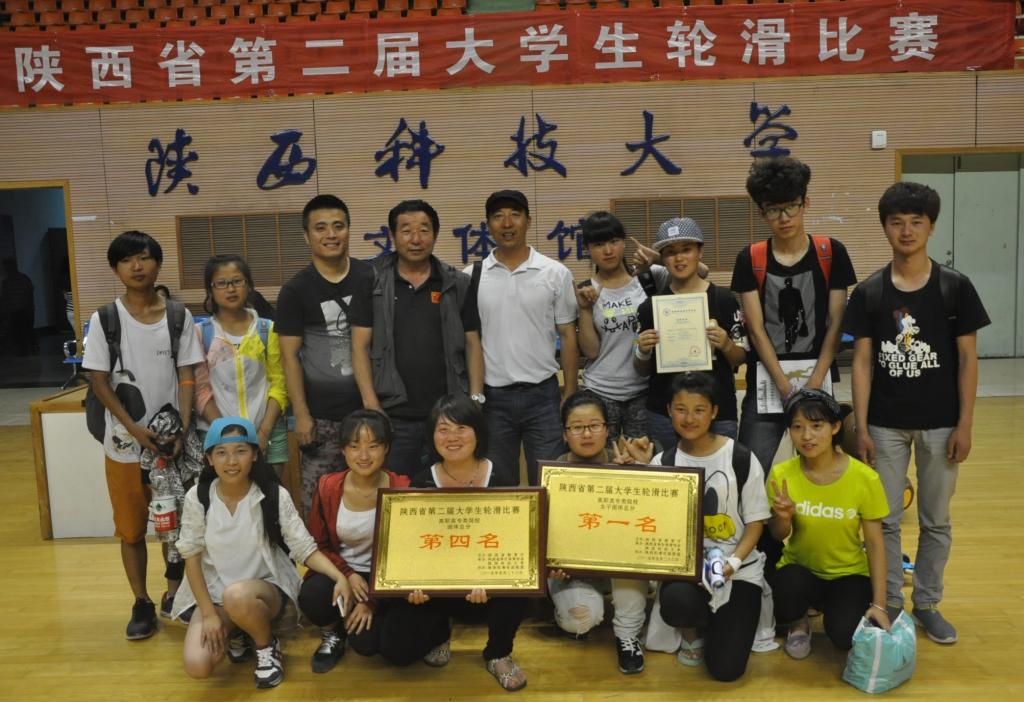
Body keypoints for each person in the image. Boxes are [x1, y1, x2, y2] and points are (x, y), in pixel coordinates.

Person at [843, 181, 990, 644]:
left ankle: (927, 602)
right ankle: (889, 599)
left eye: (916, 222)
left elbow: (968, 359)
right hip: (884, 424)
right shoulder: (869, 291)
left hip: (942, 424)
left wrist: (965, 424)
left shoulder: (954, 287)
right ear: (885, 228)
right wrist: (861, 427)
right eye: (897, 222)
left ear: (931, 227)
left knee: (935, 519)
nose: (906, 231)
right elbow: (862, 363)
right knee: (884, 519)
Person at [82, 230, 204, 638]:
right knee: (132, 528)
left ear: (158, 263)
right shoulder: (105, 319)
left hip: (171, 445)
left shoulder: (178, 316)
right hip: (124, 445)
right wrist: (133, 427)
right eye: (126, 260)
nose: (136, 266)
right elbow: (99, 381)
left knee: (176, 524)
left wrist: (182, 427)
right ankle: (141, 602)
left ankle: (174, 595)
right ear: (115, 268)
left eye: (144, 257)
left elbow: (186, 375)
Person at [172, 417, 353, 689]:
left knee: (237, 595)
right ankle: (238, 632)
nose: (231, 461)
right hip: (217, 597)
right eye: (221, 453)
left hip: (264, 593)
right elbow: (192, 557)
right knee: (197, 665)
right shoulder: (198, 497)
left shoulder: (272, 494)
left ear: (255, 454)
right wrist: (208, 614)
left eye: (240, 451)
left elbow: (304, 547)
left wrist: (339, 576)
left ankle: (266, 646)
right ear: (209, 458)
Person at [388, 395, 528, 691]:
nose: (452, 437)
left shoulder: (500, 475)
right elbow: (413, 545)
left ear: (478, 432)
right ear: (432, 436)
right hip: (440, 582)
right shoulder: (422, 482)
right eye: (443, 429)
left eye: (461, 428)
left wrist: (488, 577)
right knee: (400, 641)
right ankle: (440, 635)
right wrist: (414, 583)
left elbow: (512, 540)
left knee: (519, 584)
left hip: (489, 579)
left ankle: (498, 653)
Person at [730, 157, 857, 475]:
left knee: (820, 466)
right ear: (762, 212)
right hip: (766, 381)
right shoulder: (751, 258)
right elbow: (756, 329)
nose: (784, 218)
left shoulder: (831, 253)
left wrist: (814, 382)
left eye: (791, 207)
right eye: (773, 210)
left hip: (818, 375)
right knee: (750, 468)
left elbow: (836, 323)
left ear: (805, 203)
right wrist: (785, 386)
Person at [351, 199, 484, 478]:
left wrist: (474, 399)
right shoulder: (372, 281)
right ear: (392, 236)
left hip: (447, 416)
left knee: (448, 488)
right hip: (393, 414)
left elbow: (473, 344)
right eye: (406, 231)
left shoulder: (456, 283)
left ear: (434, 235)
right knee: (396, 491)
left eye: (424, 230)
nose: (415, 239)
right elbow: (359, 346)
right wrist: (372, 405)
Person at [651, 373, 770, 682]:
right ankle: (694, 632)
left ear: (714, 411)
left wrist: (732, 564)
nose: (689, 418)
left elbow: (756, 523)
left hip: (738, 568)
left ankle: (724, 624)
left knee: (726, 670)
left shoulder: (740, 457)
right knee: (677, 602)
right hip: (689, 569)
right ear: (669, 410)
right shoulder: (662, 462)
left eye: (699, 409)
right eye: (680, 409)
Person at [767, 389, 891, 659]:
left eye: (816, 426)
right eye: (797, 427)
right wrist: (783, 518)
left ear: (835, 427)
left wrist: (880, 605)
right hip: (800, 570)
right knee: (784, 591)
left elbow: (875, 543)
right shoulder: (781, 474)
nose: (807, 436)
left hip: (848, 574)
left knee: (845, 637)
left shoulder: (864, 478)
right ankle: (799, 622)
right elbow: (777, 535)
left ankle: (835, 609)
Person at [470, 189, 579, 486]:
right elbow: (471, 341)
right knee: (498, 484)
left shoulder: (555, 273)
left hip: (543, 397)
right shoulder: (472, 276)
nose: (507, 223)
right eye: (498, 216)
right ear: (488, 225)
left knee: (548, 481)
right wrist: (475, 397)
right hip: (493, 399)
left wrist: (570, 391)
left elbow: (568, 335)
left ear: (528, 221)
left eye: (515, 215)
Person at [275, 194, 374, 514]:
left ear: (348, 230)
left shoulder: (370, 277)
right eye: (321, 228)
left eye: (338, 226)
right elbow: (289, 357)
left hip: (371, 410)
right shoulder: (295, 290)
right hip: (322, 417)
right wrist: (302, 415)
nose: (331, 234)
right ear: (307, 236)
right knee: (319, 503)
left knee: (374, 500)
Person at [547, 390, 653, 674]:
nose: (586, 434)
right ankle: (563, 601)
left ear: (607, 430)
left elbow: (652, 521)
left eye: (594, 425)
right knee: (580, 620)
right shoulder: (553, 475)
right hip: (574, 571)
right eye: (577, 427)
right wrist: (551, 566)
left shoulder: (625, 464)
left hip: (620, 567)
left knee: (629, 557)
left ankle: (627, 635)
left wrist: (641, 472)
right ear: (565, 433)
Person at [298, 409, 411, 673]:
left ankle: (362, 614)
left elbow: (404, 555)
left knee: (367, 644)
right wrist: (346, 575)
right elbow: (318, 545)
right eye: (354, 446)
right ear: (343, 450)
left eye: (373, 446)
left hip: (384, 577)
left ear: (386, 448)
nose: (363, 455)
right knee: (312, 595)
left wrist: (371, 600)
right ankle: (333, 633)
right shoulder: (328, 486)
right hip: (341, 570)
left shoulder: (402, 487)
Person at [635, 218, 746, 451]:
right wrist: (642, 351)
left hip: (718, 411)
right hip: (665, 412)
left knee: (720, 471)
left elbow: (740, 357)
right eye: (670, 252)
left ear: (699, 252)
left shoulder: (723, 300)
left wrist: (726, 344)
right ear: (663, 259)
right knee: (668, 471)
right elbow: (642, 370)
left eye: (686, 249)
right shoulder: (651, 308)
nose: (679, 258)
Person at [194, 254, 289, 475]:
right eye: (221, 283)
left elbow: (279, 384)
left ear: (249, 285)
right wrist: (229, 436)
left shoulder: (268, 329)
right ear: (210, 290)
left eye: (237, 281)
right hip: (217, 434)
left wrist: (263, 432)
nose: (230, 289)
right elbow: (201, 391)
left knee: (271, 492)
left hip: (268, 432)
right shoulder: (201, 333)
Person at [575, 211, 661, 443]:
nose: (608, 250)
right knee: (602, 460)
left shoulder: (647, 279)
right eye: (598, 244)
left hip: (644, 390)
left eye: (614, 241)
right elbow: (591, 352)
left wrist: (658, 258)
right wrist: (585, 309)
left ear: (624, 243)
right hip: (600, 391)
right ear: (588, 250)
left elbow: (701, 272)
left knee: (642, 459)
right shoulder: (587, 290)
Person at [1, 257, 35, 355]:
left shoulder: (9, 282)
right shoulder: (21, 279)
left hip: (22, 311)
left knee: (22, 333)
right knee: (20, 333)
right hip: (17, 311)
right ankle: (25, 351)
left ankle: (25, 351)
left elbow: (29, 296)